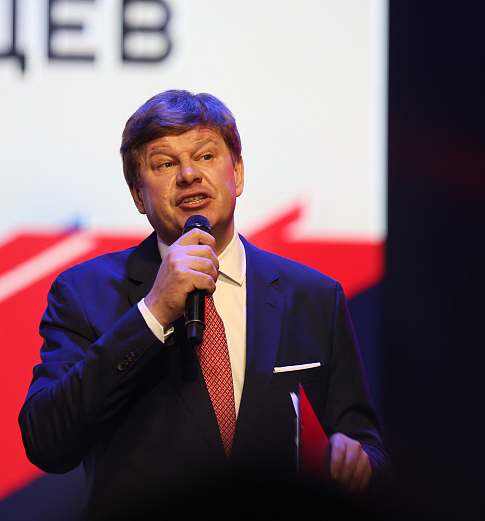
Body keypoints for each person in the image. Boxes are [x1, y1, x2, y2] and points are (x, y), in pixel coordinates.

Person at [19, 90, 389, 518]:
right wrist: (153, 313)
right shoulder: (84, 292)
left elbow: (369, 450)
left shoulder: (315, 297)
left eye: (206, 156)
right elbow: (46, 441)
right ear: (138, 194)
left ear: (238, 173)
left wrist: (359, 466)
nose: (189, 174)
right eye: (165, 164)